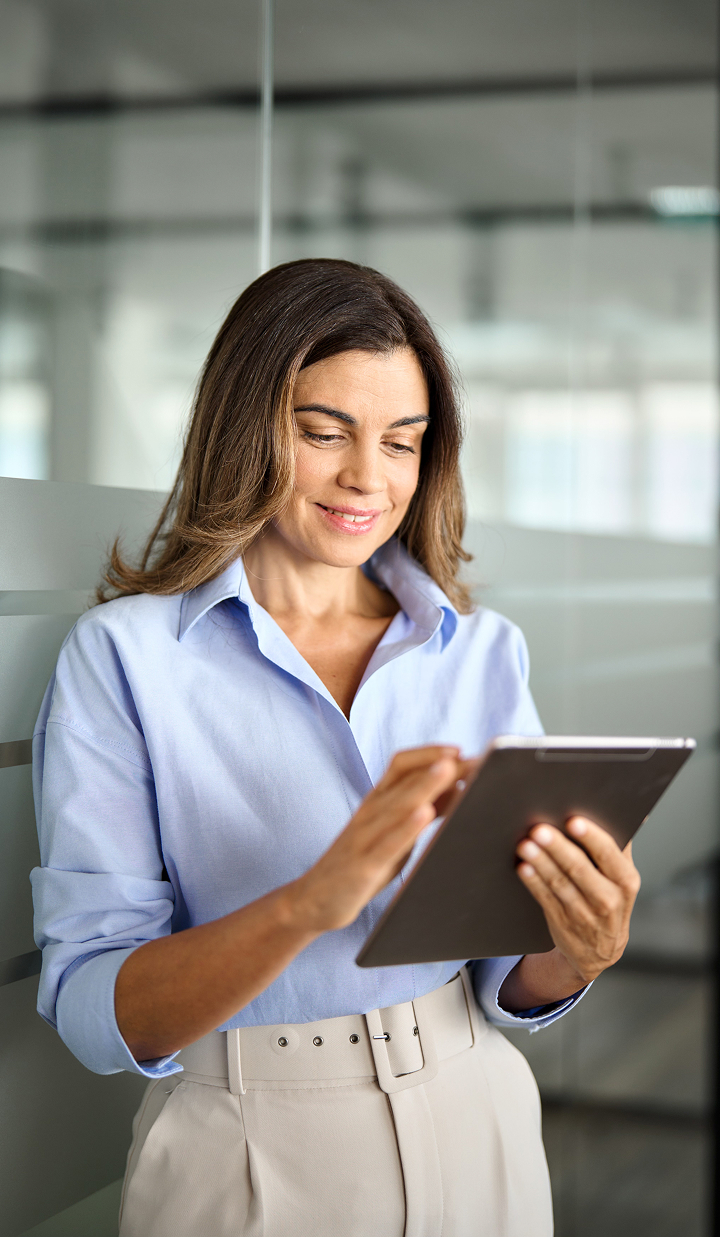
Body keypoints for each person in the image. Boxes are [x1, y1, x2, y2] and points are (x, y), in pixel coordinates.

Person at [31, 259, 640, 1237]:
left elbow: (505, 973)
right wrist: (308, 903)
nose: (368, 476)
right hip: (248, 1145)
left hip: (476, 1110)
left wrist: (576, 953)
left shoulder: (480, 650)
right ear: (245, 427)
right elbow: (93, 1008)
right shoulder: (125, 657)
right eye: (325, 432)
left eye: (402, 441)